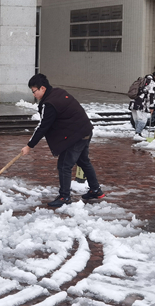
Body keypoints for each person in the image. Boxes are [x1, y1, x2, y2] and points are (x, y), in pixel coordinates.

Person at [21, 73, 105, 207]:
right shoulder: (57, 92)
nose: (33, 94)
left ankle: (64, 197)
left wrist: (29, 146)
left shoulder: (50, 103)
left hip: (76, 135)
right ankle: (95, 190)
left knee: (64, 165)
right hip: (85, 130)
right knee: (83, 161)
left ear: (42, 88)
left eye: (34, 91)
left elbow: (43, 126)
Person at [129, 71, 155, 140]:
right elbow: (150, 96)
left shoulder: (144, 80)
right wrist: (151, 106)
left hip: (134, 102)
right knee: (143, 120)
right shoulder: (152, 83)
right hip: (141, 104)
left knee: (137, 119)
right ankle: (137, 134)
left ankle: (138, 133)